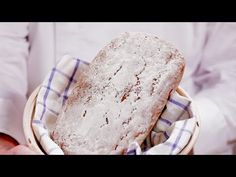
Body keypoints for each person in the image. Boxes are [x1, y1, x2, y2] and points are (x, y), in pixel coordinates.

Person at [0, 22, 236, 154]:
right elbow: (5, 49)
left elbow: (231, 73)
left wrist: (183, 137)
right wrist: (6, 139)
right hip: (33, 138)